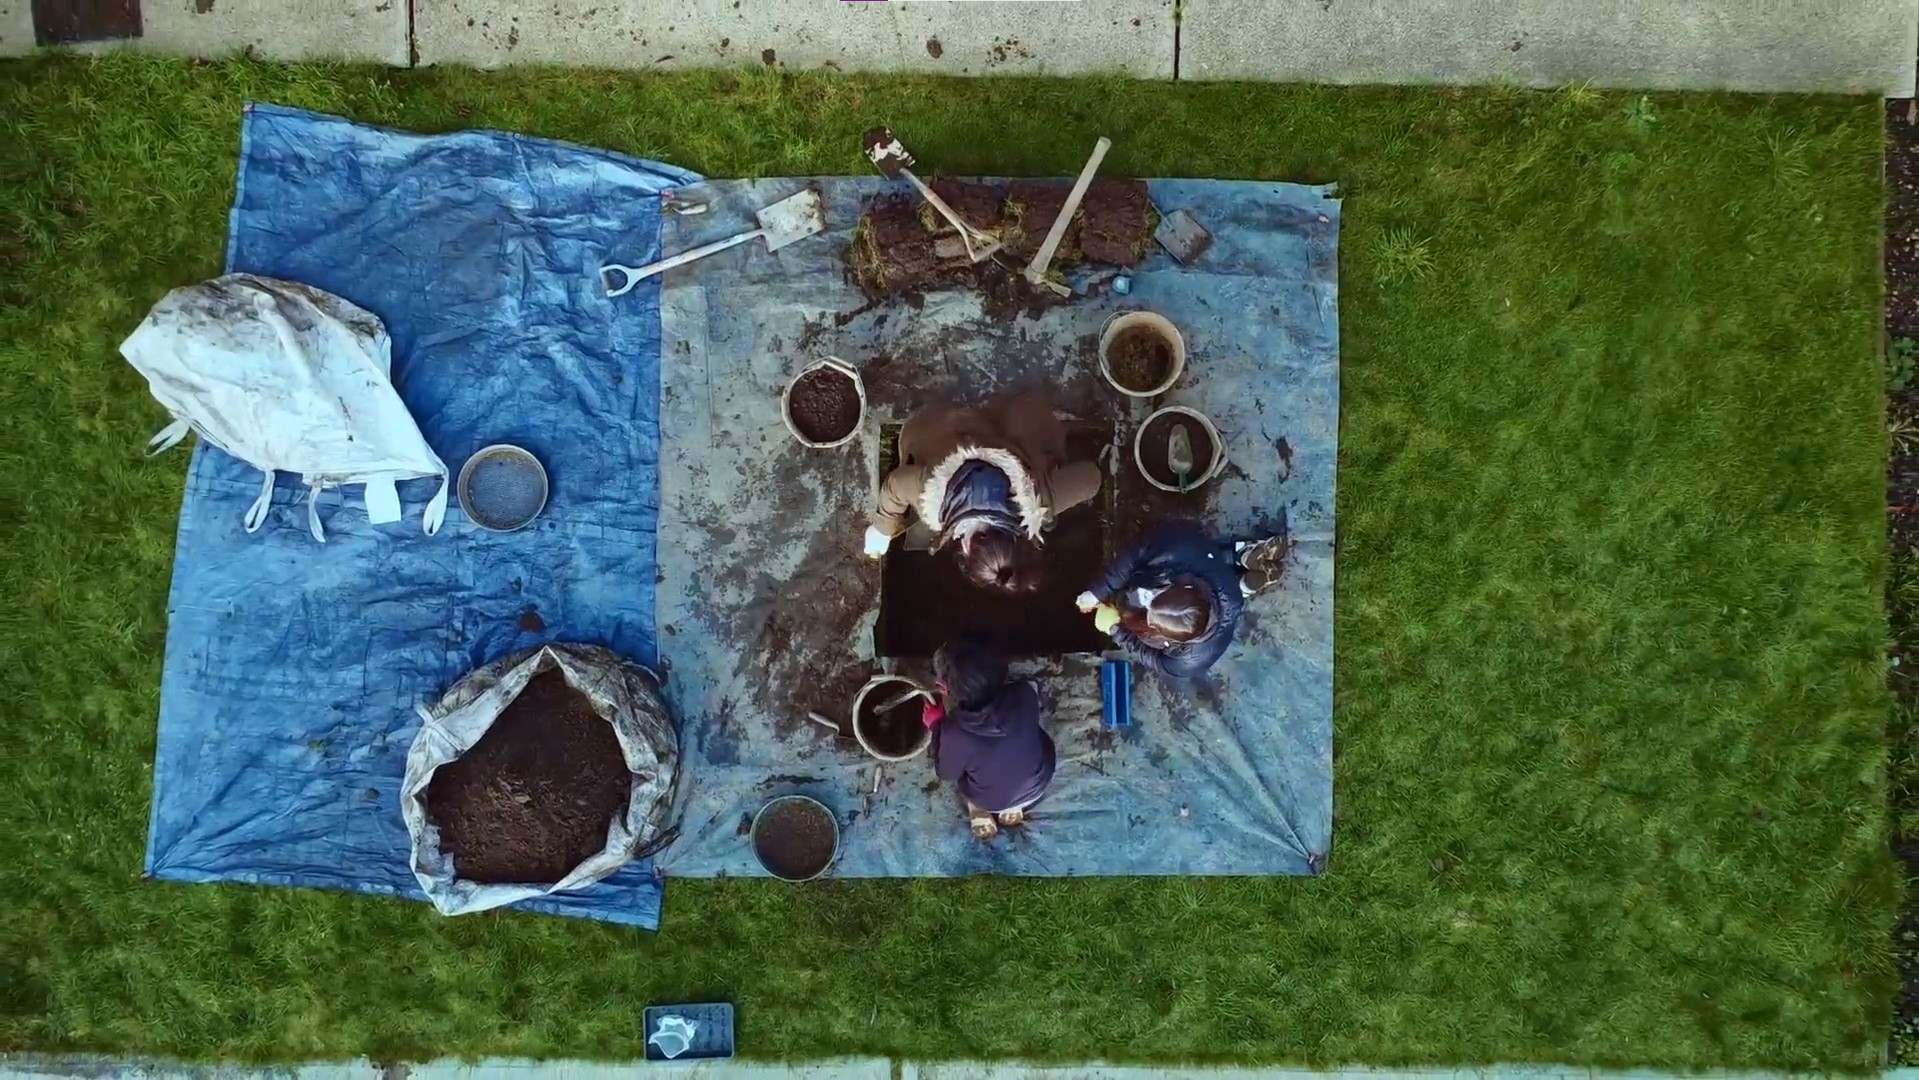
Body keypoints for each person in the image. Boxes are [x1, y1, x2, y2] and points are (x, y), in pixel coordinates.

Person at [862, 396, 1103, 593]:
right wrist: (881, 529)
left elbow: (1091, 477)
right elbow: (895, 484)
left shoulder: (1040, 498)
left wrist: (1047, 505)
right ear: (965, 546)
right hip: (943, 423)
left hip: (991, 420)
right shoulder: (928, 490)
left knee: (1047, 502)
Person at [1076, 523, 1288, 679]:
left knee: (1221, 575)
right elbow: (1135, 552)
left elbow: (1156, 660)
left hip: (1214, 576)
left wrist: (1117, 630)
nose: (1147, 603)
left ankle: (1242, 565)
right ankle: (1241, 560)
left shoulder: (1189, 660)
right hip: (1209, 567)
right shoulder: (1177, 547)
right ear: (1180, 588)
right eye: (1154, 600)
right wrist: (1098, 591)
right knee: (1214, 566)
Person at [923, 638, 1056, 839]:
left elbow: (947, 773)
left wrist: (935, 725)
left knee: (969, 773)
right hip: (1038, 784)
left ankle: (980, 807)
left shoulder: (955, 733)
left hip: (992, 799)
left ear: (945, 689)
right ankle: (1017, 803)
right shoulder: (1024, 693)